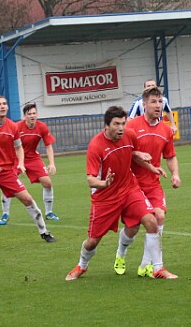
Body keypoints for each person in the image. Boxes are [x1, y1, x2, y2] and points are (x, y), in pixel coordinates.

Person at [66, 106, 177, 281]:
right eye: (116, 124)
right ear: (107, 125)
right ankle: (82, 265)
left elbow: (133, 155)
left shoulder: (129, 134)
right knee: (93, 241)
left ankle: (157, 268)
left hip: (129, 189)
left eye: (123, 123)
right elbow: (90, 179)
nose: (121, 128)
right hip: (105, 198)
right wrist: (104, 183)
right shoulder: (96, 146)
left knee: (151, 220)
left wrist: (151, 167)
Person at [0, 96, 56, 253]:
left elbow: (18, 147)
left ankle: (45, 232)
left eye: (5, 104)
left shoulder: (13, 127)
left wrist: (20, 163)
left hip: (6, 171)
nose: (2, 106)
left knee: (27, 198)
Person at [114, 86, 180, 277]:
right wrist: (137, 154)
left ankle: (147, 265)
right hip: (132, 185)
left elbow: (170, 156)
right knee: (132, 228)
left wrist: (175, 173)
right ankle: (121, 254)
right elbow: (124, 151)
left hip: (153, 184)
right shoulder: (132, 126)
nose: (158, 105)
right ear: (144, 105)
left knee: (159, 217)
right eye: (153, 101)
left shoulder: (166, 130)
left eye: (160, 102)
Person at [0, 103, 59, 226]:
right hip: (15, 159)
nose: (32, 116)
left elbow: (48, 146)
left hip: (33, 158)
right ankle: (5, 214)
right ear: (24, 116)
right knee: (7, 183)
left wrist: (52, 163)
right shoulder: (17, 127)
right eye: (29, 114)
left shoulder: (42, 127)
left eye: (34, 113)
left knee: (47, 182)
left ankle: (49, 212)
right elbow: (7, 144)